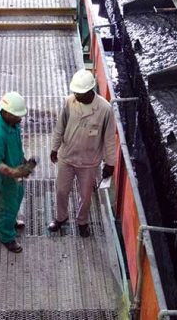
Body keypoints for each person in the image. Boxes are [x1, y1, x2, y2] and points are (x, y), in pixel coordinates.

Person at [48, 70, 117, 237]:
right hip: (67, 157)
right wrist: (54, 148)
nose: (76, 95)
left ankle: (82, 222)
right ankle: (60, 217)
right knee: (61, 191)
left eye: (79, 93)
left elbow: (109, 138)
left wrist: (110, 163)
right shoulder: (68, 102)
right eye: (75, 92)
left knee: (85, 196)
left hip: (89, 161)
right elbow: (60, 127)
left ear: (89, 91)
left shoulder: (105, 109)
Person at [0, 91, 36, 253]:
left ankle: (12, 220)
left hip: (16, 169)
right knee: (6, 206)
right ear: (7, 113)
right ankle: (7, 237)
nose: (20, 119)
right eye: (17, 116)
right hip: (5, 178)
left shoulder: (12, 123)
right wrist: (13, 172)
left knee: (17, 197)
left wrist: (22, 162)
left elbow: (16, 145)